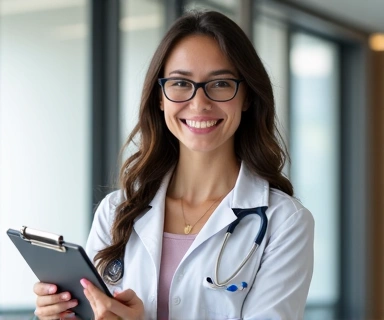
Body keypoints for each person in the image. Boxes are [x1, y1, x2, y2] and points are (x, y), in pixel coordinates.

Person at [33, 10, 314, 320]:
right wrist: (61, 314)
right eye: (181, 82)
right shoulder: (116, 212)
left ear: (246, 96)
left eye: (220, 83)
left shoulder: (285, 222)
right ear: (160, 97)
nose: (199, 102)